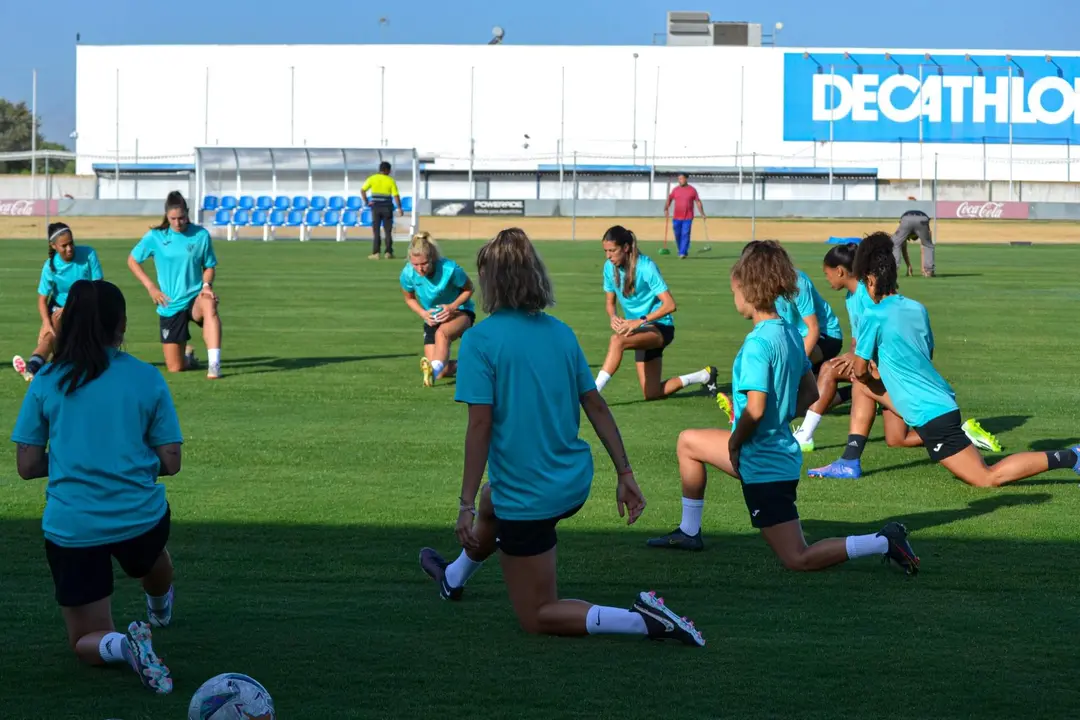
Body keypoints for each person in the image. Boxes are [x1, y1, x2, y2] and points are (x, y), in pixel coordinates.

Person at [417, 228, 704, 646]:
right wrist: (625, 473)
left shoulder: (479, 340)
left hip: (530, 497)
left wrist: (461, 506)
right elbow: (597, 407)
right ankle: (453, 577)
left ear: (491, 282)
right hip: (572, 480)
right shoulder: (561, 332)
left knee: (537, 614)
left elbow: (479, 427)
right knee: (489, 501)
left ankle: (646, 621)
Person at [644, 240, 919, 576]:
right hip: (779, 452)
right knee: (688, 441)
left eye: (734, 290)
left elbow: (756, 411)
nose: (734, 298)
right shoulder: (789, 333)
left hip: (762, 462)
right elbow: (808, 395)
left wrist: (736, 441)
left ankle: (882, 541)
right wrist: (772, 413)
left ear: (747, 290)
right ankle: (689, 532)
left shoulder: (758, 343)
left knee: (797, 558)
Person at [10, 279, 181, 694]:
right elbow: (171, 462)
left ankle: (125, 645)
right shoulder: (145, 378)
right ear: (121, 325)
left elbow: (28, 465)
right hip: (140, 519)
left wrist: (75, 458)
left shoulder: (48, 380)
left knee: (85, 642)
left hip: (74, 528)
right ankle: (159, 609)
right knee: (151, 554)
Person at [839, 234, 1079, 488]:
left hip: (930, 414)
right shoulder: (916, 308)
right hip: (941, 400)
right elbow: (924, 353)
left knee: (987, 477)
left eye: (865, 282)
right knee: (862, 387)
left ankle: (1070, 456)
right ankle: (849, 460)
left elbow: (860, 367)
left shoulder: (873, 314)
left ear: (871, 279)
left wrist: (870, 373)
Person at [807, 234, 1000, 479]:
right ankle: (961, 433)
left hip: (904, 381)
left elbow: (868, 352)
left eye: (827, 273)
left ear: (865, 278)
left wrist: (872, 367)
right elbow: (924, 350)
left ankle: (836, 452)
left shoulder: (869, 302)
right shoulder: (912, 306)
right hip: (918, 384)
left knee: (856, 379)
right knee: (896, 439)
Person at [593, 226, 718, 401]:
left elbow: (670, 304)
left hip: (660, 327)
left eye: (612, 250)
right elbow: (609, 302)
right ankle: (704, 376)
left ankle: (593, 392)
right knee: (651, 393)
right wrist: (613, 317)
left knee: (617, 340)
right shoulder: (609, 268)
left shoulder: (646, 266)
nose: (608, 256)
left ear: (626, 247)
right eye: (606, 251)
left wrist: (639, 321)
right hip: (638, 330)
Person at [127, 191, 222, 379]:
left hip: (195, 297)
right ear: (166, 215)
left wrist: (206, 286)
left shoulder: (201, 235)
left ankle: (214, 365)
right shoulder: (156, 236)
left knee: (209, 304)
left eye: (182, 218)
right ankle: (187, 356)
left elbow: (209, 266)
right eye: (173, 218)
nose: (178, 223)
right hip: (170, 303)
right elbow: (132, 260)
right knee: (175, 367)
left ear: (187, 213)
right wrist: (151, 287)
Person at [13, 222, 103, 382]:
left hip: (86, 305)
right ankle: (32, 368)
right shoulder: (50, 267)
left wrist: (71, 306)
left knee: (79, 351)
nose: (69, 248)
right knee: (50, 336)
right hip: (58, 308)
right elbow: (42, 299)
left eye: (71, 243)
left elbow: (98, 286)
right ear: (53, 246)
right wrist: (46, 323)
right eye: (64, 246)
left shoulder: (89, 254)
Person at [399, 231, 475, 387]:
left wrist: (452, 307)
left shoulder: (450, 269)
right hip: (432, 317)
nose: (420, 269)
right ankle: (468, 365)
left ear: (432, 258)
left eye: (424, 263)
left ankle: (432, 372)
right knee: (440, 371)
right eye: (416, 265)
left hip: (460, 311)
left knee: (442, 334)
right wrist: (423, 313)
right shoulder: (407, 273)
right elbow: (409, 298)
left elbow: (469, 288)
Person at [360, 161, 404, 260]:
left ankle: (376, 253)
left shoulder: (372, 178)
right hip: (387, 207)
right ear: (387, 170)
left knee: (376, 231)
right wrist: (399, 208)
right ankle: (388, 252)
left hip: (375, 208)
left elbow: (362, 190)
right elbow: (395, 195)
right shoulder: (390, 180)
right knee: (388, 231)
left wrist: (367, 201)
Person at [664, 173, 705, 259]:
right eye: (679, 179)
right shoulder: (675, 190)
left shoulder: (692, 190)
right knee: (677, 234)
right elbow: (669, 199)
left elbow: (698, 202)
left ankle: (682, 252)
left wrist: (702, 213)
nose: (680, 180)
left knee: (685, 234)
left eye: (682, 179)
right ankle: (682, 250)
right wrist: (666, 209)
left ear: (686, 179)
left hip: (688, 217)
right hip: (676, 217)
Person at [891, 209, 933, 278]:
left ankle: (894, 270)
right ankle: (929, 272)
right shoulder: (920, 231)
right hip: (923, 218)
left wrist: (909, 266)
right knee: (928, 245)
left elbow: (904, 251)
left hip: (906, 219)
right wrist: (923, 269)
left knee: (895, 243)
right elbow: (923, 249)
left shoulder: (904, 232)